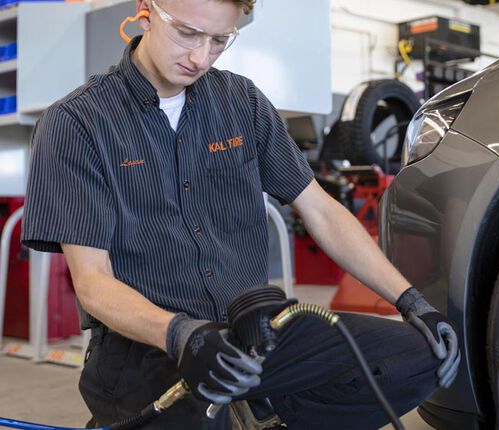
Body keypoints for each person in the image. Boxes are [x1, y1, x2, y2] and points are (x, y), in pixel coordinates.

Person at [21, 0, 460, 429]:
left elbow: (321, 210)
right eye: (188, 33)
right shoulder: (76, 123)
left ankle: (264, 414)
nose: (200, 57)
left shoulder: (242, 102)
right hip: (147, 344)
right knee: (195, 417)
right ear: (145, 10)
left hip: (255, 332)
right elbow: (93, 282)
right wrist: (181, 336)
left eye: (219, 40)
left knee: (411, 359)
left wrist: (412, 302)